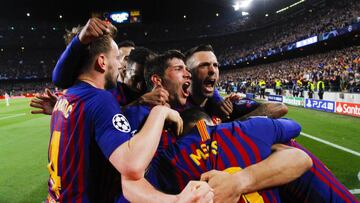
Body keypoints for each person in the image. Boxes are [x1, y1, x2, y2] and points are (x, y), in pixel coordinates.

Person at [46, 18, 213, 203]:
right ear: (102, 62)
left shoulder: (67, 96)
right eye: (116, 58)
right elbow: (131, 165)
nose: (120, 65)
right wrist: (160, 112)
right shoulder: (100, 99)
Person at [145, 108, 311, 203]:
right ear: (214, 122)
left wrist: (158, 112)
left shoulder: (168, 160)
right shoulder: (250, 128)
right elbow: (295, 127)